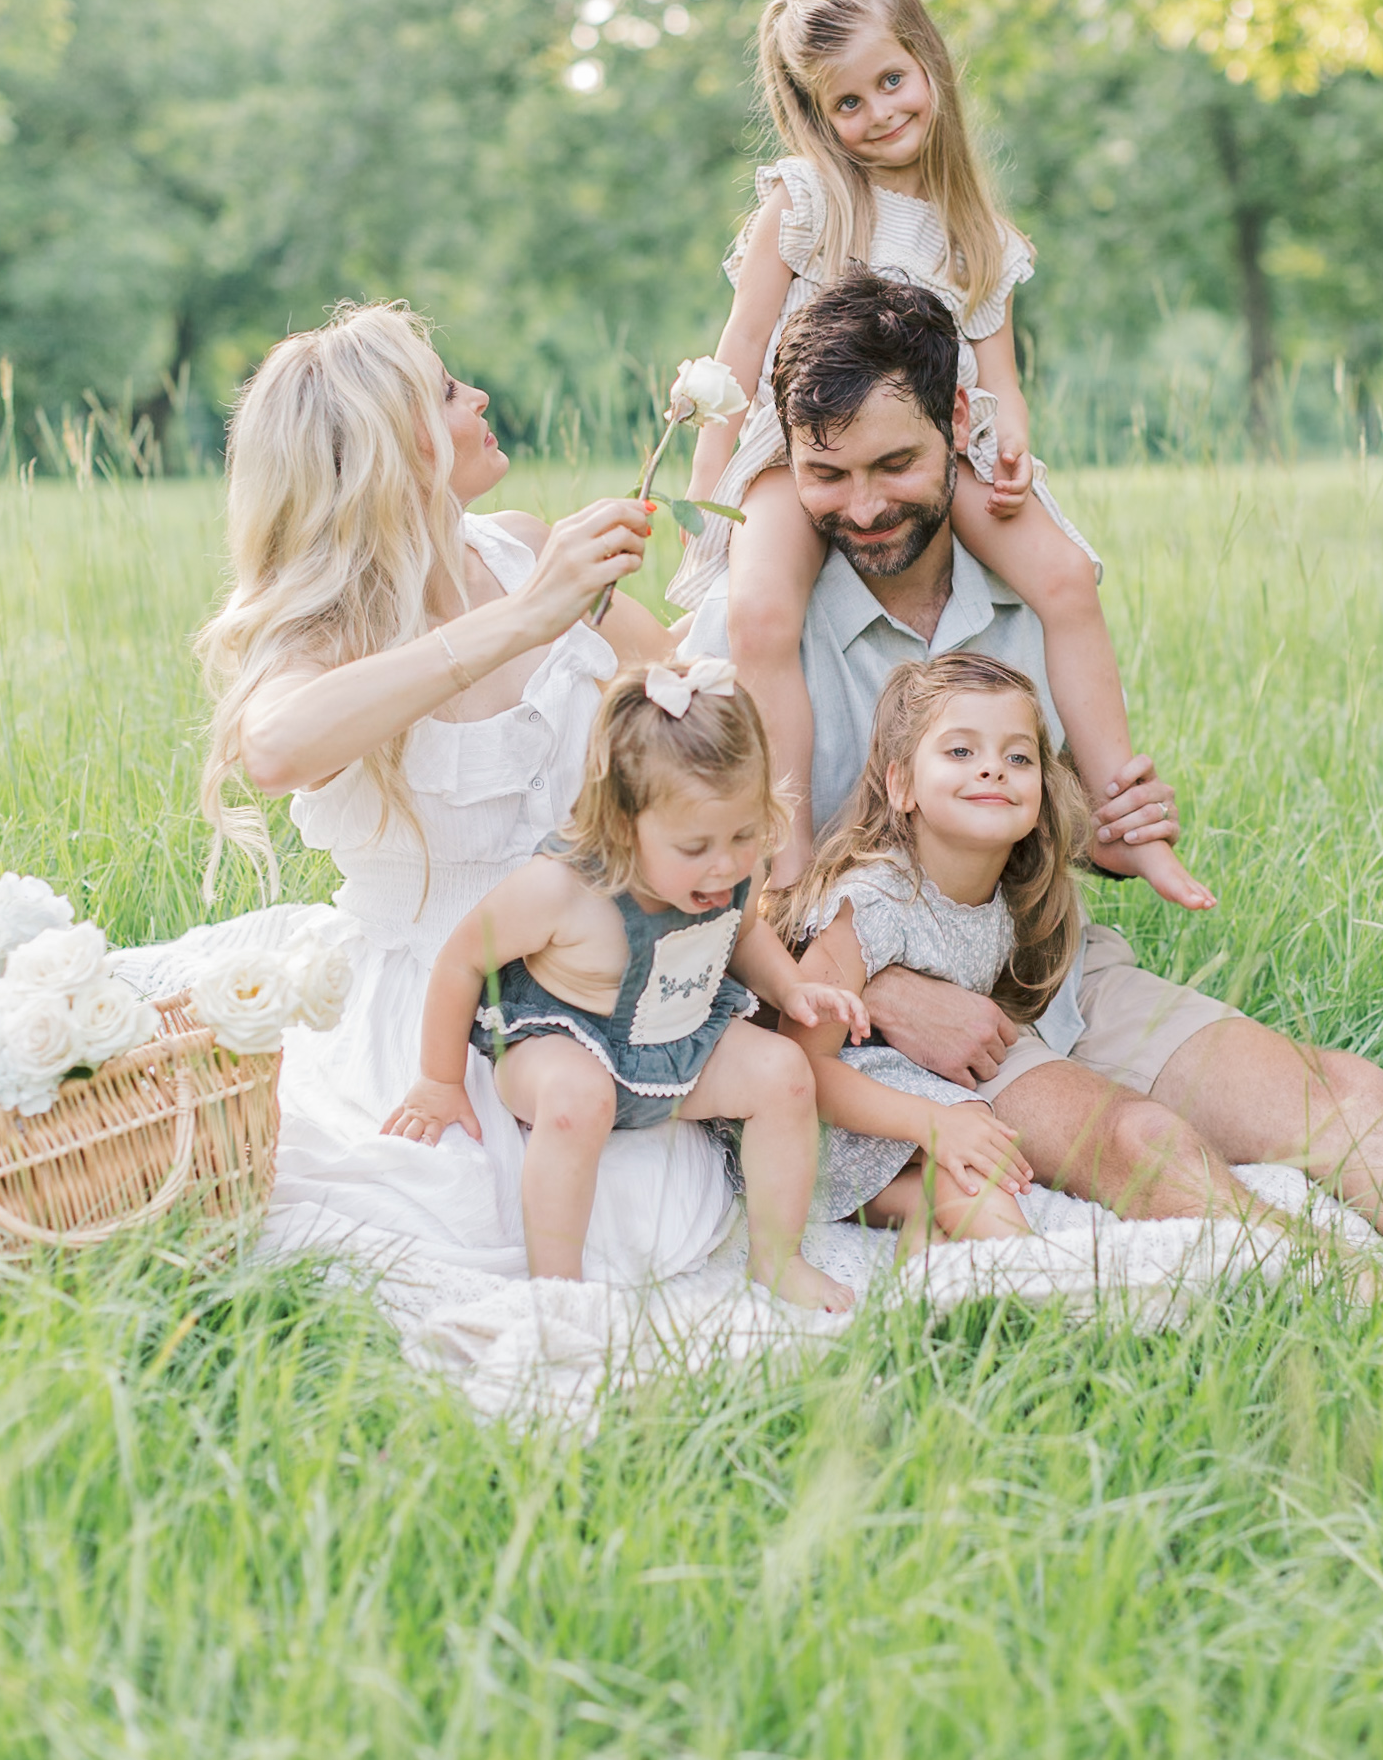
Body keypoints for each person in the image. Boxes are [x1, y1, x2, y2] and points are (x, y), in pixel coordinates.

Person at [683, 274, 1383, 1261]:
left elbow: (1020, 810)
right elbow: (692, 888)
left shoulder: (1026, 597)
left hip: (1046, 970)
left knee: (1341, 1096)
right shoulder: (752, 636)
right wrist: (880, 992)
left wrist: (1102, 831)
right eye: (827, 475)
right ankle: (1375, 1313)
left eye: (896, 464)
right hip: (872, 1025)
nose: (866, 507)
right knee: (1142, 1146)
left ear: (959, 424)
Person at [112, 299, 739, 1288]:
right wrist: (526, 620)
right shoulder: (327, 631)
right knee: (451, 1224)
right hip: (429, 1011)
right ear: (386, 452)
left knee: (660, 1213)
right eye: (447, 392)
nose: (479, 396)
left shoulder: (524, 547)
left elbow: (692, 701)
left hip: (583, 989)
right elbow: (272, 751)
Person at [666, 0, 1211, 912]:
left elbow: (997, 378)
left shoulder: (976, 233)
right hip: (803, 454)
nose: (878, 113)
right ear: (815, 116)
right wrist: (710, 494)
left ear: (929, 64)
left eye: (891, 80)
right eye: (847, 103)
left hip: (938, 442)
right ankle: (783, 851)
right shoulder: (806, 205)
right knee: (757, 613)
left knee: (1065, 578)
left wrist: (1008, 457)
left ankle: (1128, 820)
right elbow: (740, 349)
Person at [383, 660, 865, 1310]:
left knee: (784, 1072)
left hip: (678, 1036)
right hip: (566, 1036)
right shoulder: (563, 890)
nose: (724, 863)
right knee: (575, 1096)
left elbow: (744, 933)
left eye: (743, 835)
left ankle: (778, 1257)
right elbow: (461, 960)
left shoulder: (731, 871)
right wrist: (439, 1079)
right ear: (621, 824)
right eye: (694, 846)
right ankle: (558, 1292)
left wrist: (791, 987)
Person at [781, 653, 1085, 1252]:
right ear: (901, 785)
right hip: (812, 1130)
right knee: (975, 1180)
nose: (994, 771)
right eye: (960, 752)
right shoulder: (869, 903)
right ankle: (1032, 1282)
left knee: (963, 1187)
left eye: (1017, 757)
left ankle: (961, 1301)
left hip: (899, 1126)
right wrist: (932, 1123)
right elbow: (796, 1067)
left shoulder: (1003, 900)